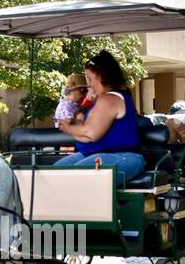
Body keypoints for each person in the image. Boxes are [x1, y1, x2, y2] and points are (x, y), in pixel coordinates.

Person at [54, 50, 144, 184]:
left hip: (123, 156)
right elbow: (84, 133)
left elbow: (91, 134)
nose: (88, 85)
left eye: (90, 79)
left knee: (75, 177)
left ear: (102, 77)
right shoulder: (101, 99)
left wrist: (68, 128)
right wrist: (74, 124)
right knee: (54, 173)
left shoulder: (110, 99)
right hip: (93, 154)